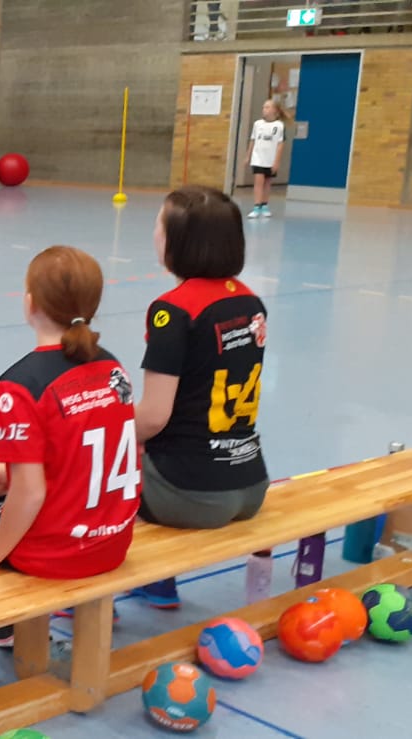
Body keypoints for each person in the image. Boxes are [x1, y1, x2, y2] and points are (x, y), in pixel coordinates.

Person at [0, 246, 140, 675]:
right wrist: (0, 472)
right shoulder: (113, 368)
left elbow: (31, 492)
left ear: (30, 303)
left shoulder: (19, 384)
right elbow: (78, 456)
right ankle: (2, 631)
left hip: (55, 551)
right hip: (111, 542)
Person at [132, 186, 271, 608]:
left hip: (190, 493)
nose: (153, 233)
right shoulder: (250, 302)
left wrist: (99, 430)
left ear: (180, 242)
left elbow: (153, 417)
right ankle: (157, 582)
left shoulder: (173, 310)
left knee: (94, 457)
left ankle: (82, 592)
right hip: (250, 484)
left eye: (159, 225)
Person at [246, 99, 286, 219]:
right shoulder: (257, 124)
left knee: (267, 183)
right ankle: (256, 207)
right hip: (258, 158)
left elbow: (280, 145)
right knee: (259, 182)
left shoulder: (279, 126)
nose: (264, 109)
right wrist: (248, 156)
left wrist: (276, 162)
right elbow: (253, 140)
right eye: (264, 107)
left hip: (270, 159)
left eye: (268, 107)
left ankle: (264, 205)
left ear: (275, 110)